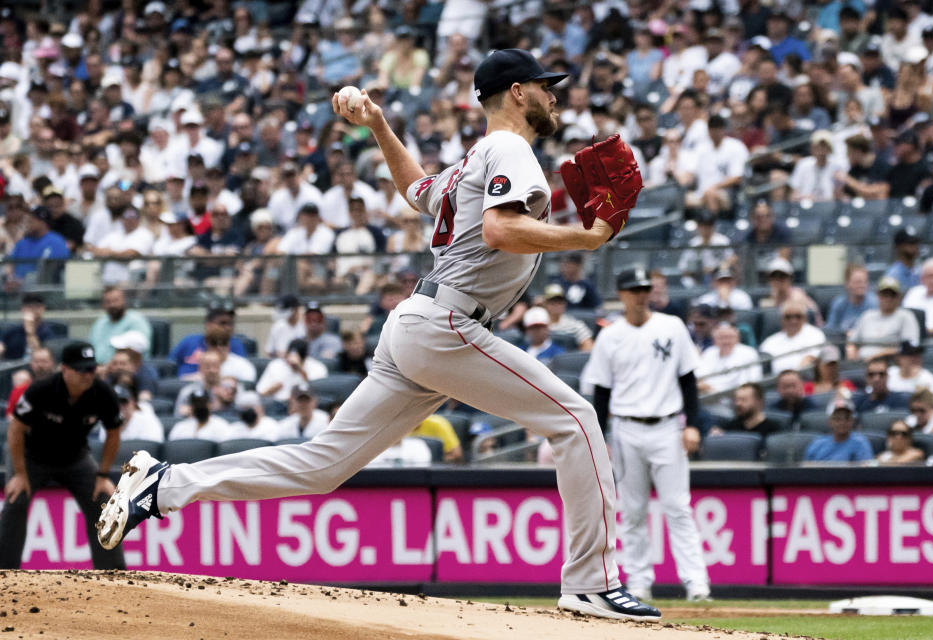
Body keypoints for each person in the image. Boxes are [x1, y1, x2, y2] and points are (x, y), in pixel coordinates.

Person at [99, 49, 660, 622]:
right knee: (575, 420)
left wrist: (378, 125)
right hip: (447, 325)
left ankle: (164, 484)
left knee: (322, 465)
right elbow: (500, 229)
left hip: (420, 325)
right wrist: (587, 239)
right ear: (518, 93)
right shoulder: (510, 147)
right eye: (545, 86)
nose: (554, 96)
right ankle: (592, 583)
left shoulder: (474, 160)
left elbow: (416, 190)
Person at [582, 268, 711, 603]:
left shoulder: (671, 326)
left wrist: (692, 424)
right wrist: (600, 438)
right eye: (633, 290)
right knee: (633, 510)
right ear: (622, 294)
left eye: (644, 289)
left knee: (678, 507)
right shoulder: (610, 335)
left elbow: (688, 380)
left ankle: (696, 583)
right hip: (626, 428)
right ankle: (639, 582)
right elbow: (601, 393)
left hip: (668, 425)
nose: (640, 295)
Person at [0, 341, 126, 569]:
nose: (88, 375)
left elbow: (114, 433)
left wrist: (103, 474)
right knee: (15, 501)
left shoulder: (103, 393)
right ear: (65, 369)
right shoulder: (41, 389)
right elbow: (15, 430)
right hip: (32, 457)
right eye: (81, 370)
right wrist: (19, 473)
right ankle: (4, 573)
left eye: (91, 369)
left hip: (75, 458)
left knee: (103, 502)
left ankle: (113, 575)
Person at [846, 276, 920, 361]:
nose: (888, 298)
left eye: (892, 295)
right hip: (861, 364)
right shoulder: (867, 316)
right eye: (885, 295)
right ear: (878, 296)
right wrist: (852, 358)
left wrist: (875, 358)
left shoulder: (906, 316)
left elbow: (909, 347)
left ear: (898, 297)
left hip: (890, 365)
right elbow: (851, 343)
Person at [169, 302, 246, 378]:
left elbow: (239, 371)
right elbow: (169, 364)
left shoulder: (235, 345)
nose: (228, 327)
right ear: (208, 324)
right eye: (222, 323)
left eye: (230, 324)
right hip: (183, 386)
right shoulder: (189, 341)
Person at [759, 300, 827, 375]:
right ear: (781, 319)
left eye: (798, 316)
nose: (793, 321)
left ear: (805, 318)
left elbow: (809, 360)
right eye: (788, 317)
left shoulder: (815, 334)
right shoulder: (770, 341)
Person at [88, 286, 152, 364]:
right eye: (108, 302)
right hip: (96, 369)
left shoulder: (136, 321)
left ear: (124, 300)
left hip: (124, 370)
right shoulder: (99, 324)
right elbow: (90, 350)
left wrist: (108, 368)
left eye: (115, 301)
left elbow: (138, 352)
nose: (112, 305)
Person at [696, 322, 762, 394]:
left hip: (735, 396)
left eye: (729, 337)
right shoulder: (709, 352)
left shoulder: (749, 353)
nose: (726, 341)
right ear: (714, 340)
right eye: (721, 338)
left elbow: (752, 382)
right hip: (707, 396)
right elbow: (699, 377)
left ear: (737, 338)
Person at [256, 338, 328, 403]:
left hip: (303, 404)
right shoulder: (275, 365)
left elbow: (319, 393)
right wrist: (271, 390)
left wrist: (300, 369)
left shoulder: (318, 367)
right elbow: (260, 392)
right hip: (277, 404)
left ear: (305, 357)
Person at [804, 397, 874, 462]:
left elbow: (866, 471)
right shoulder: (817, 444)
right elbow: (806, 470)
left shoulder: (861, 443)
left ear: (853, 421)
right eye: (837, 418)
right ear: (830, 421)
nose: (842, 422)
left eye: (847, 418)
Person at [103, 376, 164, 443]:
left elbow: (150, 451)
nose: (118, 406)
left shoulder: (148, 423)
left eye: (123, 401)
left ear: (133, 402)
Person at [712, 383, 781, 438]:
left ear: (758, 402)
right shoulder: (731, 427)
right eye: (737, 400)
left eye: (744, 400)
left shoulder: (774, 430)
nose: (738, 404)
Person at [0, 293, 54, 360]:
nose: (33, 310)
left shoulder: (48, 332)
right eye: (29, 307)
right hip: (12, 367)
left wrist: (30, 332)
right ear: (22, 309)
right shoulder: (12, 331)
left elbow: (41, 358)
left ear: (43, 308)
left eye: (37, 306)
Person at [5, 347, 56, 417]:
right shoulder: (20, 390)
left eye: (44, 361)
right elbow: (10, 415)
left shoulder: (61, 388)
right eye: (36, 361)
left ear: (52, 363)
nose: (40, 365)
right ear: (31, 364)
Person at [825, 265, 877, 332]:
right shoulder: (839, 304)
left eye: (865, 281)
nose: (862, 285)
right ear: (847, 283)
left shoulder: (874, 303)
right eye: (858, 282)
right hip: (842, 341)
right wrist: (844, 334)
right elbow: (830, 330)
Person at [543, 283, 594, 351]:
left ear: (564, 304)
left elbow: (589, 348)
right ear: (545, 303)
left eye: (560, 301)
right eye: (552, 301)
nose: (556, 305)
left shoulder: (575, 325)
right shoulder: (538, 325)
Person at [884, 228, 922, 293]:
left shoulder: (921, 271)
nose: (915, 246)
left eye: (916, 243)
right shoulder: (892, 275)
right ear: (899, 246)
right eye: (910, 243)